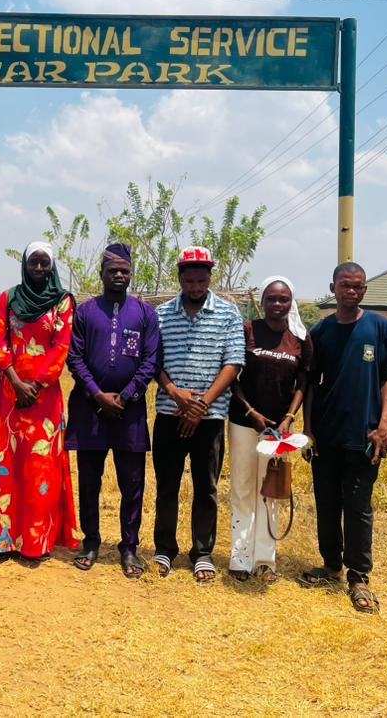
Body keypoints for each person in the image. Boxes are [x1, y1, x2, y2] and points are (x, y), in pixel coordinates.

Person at [300, 262, 387, 614]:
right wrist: (308, 428)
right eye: (345, 285)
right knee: (327, 503)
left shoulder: (379, 327)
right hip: (326, 435)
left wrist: (385, 425)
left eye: (358, 286)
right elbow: (309, 385)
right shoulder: (321, 332)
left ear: (364, 290)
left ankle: (359, 576)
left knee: (358, 507)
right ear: (332, 288)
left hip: (365, 436)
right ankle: (331, 564)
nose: (352, 291)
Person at [65, 244, 159, 579]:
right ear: (102, 274)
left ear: (131, 274)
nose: (119, 276)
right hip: (90, 409)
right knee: (89, 481)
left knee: (132, 483)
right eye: (112, 271)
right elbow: (74, 357)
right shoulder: (86, 312)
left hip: (129, 412)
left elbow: (151, 360)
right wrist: (97, 394)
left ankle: (129, 548)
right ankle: (90, 542)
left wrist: (127, 394)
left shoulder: (145, 313)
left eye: (124, 271)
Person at [153, 246, 245, 582]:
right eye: (189, 280)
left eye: (201, 280)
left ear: (210, 278)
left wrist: (201, 404)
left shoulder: (228, 313)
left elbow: (234, 363)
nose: (195, 286)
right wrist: (175, 394)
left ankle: (202, 552)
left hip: (210, 418)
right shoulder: (161, 315)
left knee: (206, 486)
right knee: (167, 485)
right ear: (180, 279)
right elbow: (153, 364)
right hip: (168, 413)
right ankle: (164, 549)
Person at [0, 241, 78, 563]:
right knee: (8, 464)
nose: (38, 269)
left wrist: (36, 385)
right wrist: (14, 380)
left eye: (44, 264)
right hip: (11, 394)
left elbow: (61, 347)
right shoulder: (7, 299)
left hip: (44, 396)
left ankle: (36, 542)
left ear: (52, 266)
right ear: (24, 265)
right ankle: (4, 539)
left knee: (40, 468)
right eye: (33, 263)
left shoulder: (63, 302)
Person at [227, 276, 312, 584]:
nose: (278, 305)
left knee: (271, 491)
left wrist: (290, 416)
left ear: (291, 303)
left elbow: (304, 382)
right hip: (243, 422)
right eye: (272, 299)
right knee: (243, 487)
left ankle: (265, 559)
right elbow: (232, 375)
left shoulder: (299, 337)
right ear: (261, 302)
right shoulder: (248, 331)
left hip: (278, 429)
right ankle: (240, 557)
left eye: (284, 299)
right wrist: (250, 412)